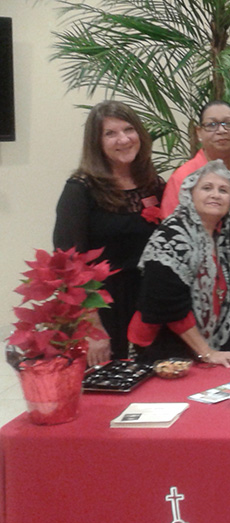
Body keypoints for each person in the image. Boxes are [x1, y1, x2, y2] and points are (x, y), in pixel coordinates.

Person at [53, 100, 165, 365]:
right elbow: (69, 265)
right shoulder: (80, 190)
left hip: (148, 301)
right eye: (110, 133)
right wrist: (92, 327)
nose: (123, 139)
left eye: (129, 129)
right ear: (97, 142)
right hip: (102, 305)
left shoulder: (152, 183)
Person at [127, 160, 230, 367]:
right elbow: (168, 305)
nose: (215, 195)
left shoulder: (223, 238)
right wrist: (206, 352)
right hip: (164, 350)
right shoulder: (173, 234)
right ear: (190, 194)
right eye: (207, 188)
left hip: (202, 352)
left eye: (223, 190)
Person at [159, 100, 230, 218]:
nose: (222, 130)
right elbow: (170, 229)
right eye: (211, 125)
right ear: (199, 132)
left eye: (229, 124)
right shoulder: (182, 178)